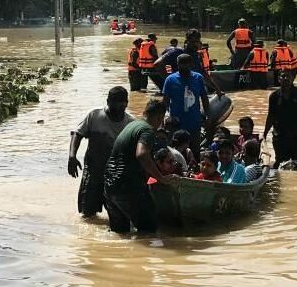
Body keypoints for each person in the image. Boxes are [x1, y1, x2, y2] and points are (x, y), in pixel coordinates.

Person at [103, 99, 174, 233]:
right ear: (160, 117)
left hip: (110, 185)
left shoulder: (132, 125)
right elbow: (141, 154)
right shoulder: (147, 130)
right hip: (128, 186)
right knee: (149, 229)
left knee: (120, 234)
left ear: (145, 112)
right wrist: (161, 178)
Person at [68, 87, 135, 218]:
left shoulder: (130, 123)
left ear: (126, 103)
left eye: (122, 105)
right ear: (108, 101)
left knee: (119, 214)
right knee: (87, 214)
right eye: (114, 104)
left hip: (117, 173)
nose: (118, 109)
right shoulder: (95, 116)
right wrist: (72, 156)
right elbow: (77, 134)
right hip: (94, 170)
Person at [261, 70, 297, 170]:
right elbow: (271, 116)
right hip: (280, 137)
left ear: (293, 78)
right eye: (283, 76)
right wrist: (264, 133)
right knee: (281, 166)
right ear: (278, 79)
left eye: (288, 76)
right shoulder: (274, 96)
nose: (286, 78)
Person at [160, 53, 210, 158]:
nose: (183, 67)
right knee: (175, 154)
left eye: (186, 64)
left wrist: (208, 117)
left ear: (191, 64)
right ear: (177, 65)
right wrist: (161, 122)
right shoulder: (170, 80)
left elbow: (204, 98)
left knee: (195, 151)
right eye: (180, 64)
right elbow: (165, 102)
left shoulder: (198, 78)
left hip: (194, 122)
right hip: (176, 124)